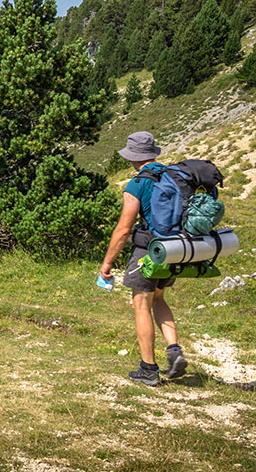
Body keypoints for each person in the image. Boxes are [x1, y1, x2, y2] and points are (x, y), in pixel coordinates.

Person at [98, 131, 187, 386]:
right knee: (159, 298)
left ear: (132, 157)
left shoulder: (138, 183)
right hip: (174, 248)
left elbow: (124, 229)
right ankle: (173, 349)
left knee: (141, 304)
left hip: (148, 249)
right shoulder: (173, 175)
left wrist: (107, 264)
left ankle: (148, 368)